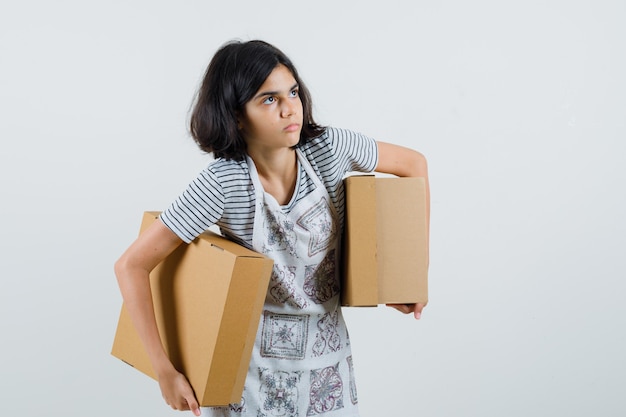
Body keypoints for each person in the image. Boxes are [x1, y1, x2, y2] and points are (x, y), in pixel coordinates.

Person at [114, 39, 430, 417]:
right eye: (269, 99)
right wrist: (165, 371)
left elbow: (414, 165)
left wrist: (406, 278)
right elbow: (131, 266)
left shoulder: (329, 149)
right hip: (251, 383)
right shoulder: (224, 183)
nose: (289, 108)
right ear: (236, 116)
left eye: (292, 92)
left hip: (328, 371)